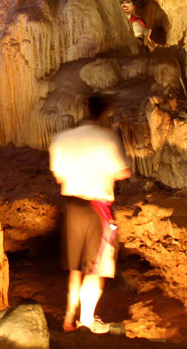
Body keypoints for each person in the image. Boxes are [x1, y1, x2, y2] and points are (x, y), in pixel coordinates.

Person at [49, 95, 131, 334]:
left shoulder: (61, 139)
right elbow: (122, 172)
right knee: (95, 268)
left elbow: (58, 176)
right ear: (103, 114)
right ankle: (86, 321)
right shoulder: (105, 139)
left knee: (75, 268)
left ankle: (68, 320)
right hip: (98, 208)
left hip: (72, 207)